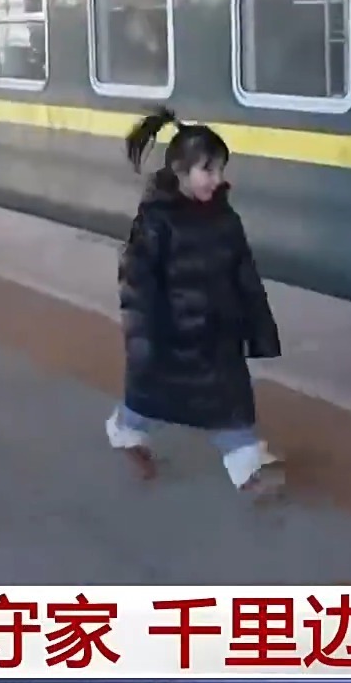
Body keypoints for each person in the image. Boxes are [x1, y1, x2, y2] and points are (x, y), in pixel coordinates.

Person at [106, 107, 286, 497]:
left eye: (220, 170)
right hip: (170, 336)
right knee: (149, 400)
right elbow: (136, 284)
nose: (218, 179)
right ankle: (125, 432)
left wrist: (259, 329)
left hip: (219, 336)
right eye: (208, 170)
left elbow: (245, 276)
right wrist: (143, 340)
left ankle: (248, 471)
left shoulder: (226, 219)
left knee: (231, 403)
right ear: (180, 171)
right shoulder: (155, 221)